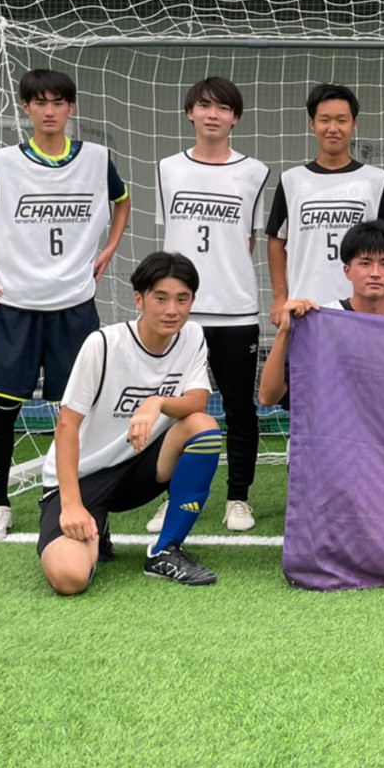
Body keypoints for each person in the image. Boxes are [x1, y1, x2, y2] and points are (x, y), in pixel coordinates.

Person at [0, 67, 131, 542]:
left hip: (74, 306)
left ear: (71, 107)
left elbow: (123, 202)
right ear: (27, 108)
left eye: (58, 102)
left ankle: (72, 498)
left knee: (76, 412)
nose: (50, 111)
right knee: (4, 408)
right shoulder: (2, 163)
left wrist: (109, 248)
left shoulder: (97, 159)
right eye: (40, 103)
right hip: (16, 304)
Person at [38, 252, 223, 594]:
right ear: (139, 299)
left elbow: (197, 401)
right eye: (160, 298)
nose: (172, 310)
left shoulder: (192, 336)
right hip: (85, 476)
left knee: (203, 426)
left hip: (139, 468)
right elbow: (66, 426)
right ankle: (95, 526)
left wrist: (156, 403)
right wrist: (72, 505)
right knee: (69, 578)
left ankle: (165, 550)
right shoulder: (103, 344)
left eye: (182, 299)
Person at [148, 76, 269, 536]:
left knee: (239, 409)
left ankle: (238, 498)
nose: (213, 114)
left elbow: (249, 239)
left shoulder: (255, 172)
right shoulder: (167, 169)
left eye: (223, 107)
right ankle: (168, 499)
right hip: (179, 315)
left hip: (236, 311)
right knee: (173, 408)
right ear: (190, 113)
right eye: (204, 106)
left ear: (235, 117)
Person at [265, 83, 384, 325]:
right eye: (325, 120)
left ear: (354, 124)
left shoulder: (376, 180)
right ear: (312, 124)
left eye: (342, 120)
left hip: (362, 310)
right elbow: (276, 240)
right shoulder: (291, 180)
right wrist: (280, 297)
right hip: (306, 308)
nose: (333, 128)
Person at [258, 220, 384, 409]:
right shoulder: (318, 323)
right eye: (365, 263)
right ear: (347, 271)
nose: (375, 273)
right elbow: (267, 397)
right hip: (326, 427)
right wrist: (284, 332)